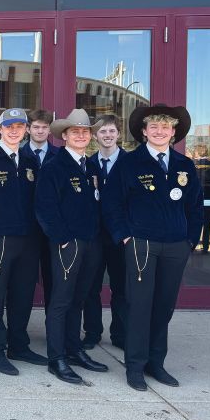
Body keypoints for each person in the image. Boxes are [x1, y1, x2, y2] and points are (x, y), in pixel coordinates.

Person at [102, 104, 203, 391]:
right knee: (139, 306)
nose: (160, 132)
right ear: (145, 132)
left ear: (173, 133)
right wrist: (125, 237)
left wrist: (190, 240)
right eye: (154, 127)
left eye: (166, 127)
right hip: (141, 245)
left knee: (164, 307)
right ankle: (134, 367)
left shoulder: (185, 165)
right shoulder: (129, 163)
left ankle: (156, 363)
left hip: (176, 246)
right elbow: (112, 204)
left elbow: (195, 206)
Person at [0, 108, 48, 376]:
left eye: (20, 126)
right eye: (9, 126)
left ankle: (18, 345)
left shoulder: (30, 160)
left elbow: (39, 201)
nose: (15, 130)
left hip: (28, 241)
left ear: (26, 130)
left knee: (22, 295)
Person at [36, 109, 109, 384]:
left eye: (85, 131)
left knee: (79, 299)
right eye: (75, 131)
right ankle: (57, 359)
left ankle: (74, 349)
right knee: (61, 302)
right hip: (68, 244)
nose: (81, 135)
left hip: (91, 243)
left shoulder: (91, 166)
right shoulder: (54, 166)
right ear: (64, 135)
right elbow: (45, 208)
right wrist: (63, 239)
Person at [82, 115, 127, 350]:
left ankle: (120, 334)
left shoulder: (130, 163)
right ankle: (92, 332)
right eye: (102, 132)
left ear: (118, 134)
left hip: (121, 238)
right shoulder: (88, 164)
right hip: (95, 237)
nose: (107, 135)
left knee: (122, 288)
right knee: (91, 287)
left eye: (111, 131)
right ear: (95, 136)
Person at [21, 109, 60, 311]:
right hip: (26, 228)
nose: (40, 131)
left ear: (50, 130)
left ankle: (53, 330)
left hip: (52, 229)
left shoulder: (59, 155)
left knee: (53, 280)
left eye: (44, 127)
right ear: (28, 129)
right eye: (36, 127)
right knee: (24, 282)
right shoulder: (19, 154)